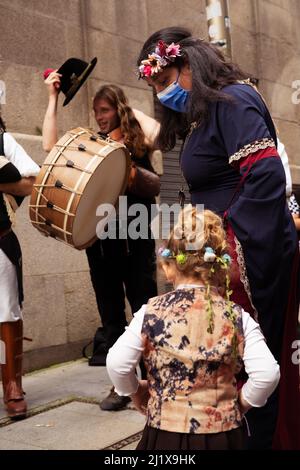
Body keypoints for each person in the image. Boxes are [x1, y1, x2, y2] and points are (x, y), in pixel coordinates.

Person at [136, 27, 299, 449]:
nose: (161, 92)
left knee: (246, 356)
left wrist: (221, 241)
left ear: (186, 63)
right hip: (218, 254)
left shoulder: (233, 100)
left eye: (162, 80)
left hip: (239, 258)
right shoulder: (207, 113)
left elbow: (264, 175)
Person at [107, 207, 280, 450]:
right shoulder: (237, 316)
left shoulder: (150, 313)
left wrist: (135, 393)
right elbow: (267, 374)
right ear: (220, 268)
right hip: (223, 437)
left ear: (168, 268)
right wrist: (239, 404)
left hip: (163, 435)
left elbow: (116, 363)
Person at [42, 74, 159, 411]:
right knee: (111, 316)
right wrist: (52, 98)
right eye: (96, 111)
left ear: (118, 109)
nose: (100, 117)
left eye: (106, 109)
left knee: (143, 309)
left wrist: (130, 113)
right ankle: (123, 385)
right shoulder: (92, 143)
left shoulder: (138, 143)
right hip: (102, 241)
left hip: (135, 238)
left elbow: (161, 138)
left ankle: (155, 378)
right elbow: (50, 148)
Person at [0, 112, 40, 418]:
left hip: (0, 242)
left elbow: (32, 181)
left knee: (6, 312)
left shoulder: (4, 141)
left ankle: (12, 384)